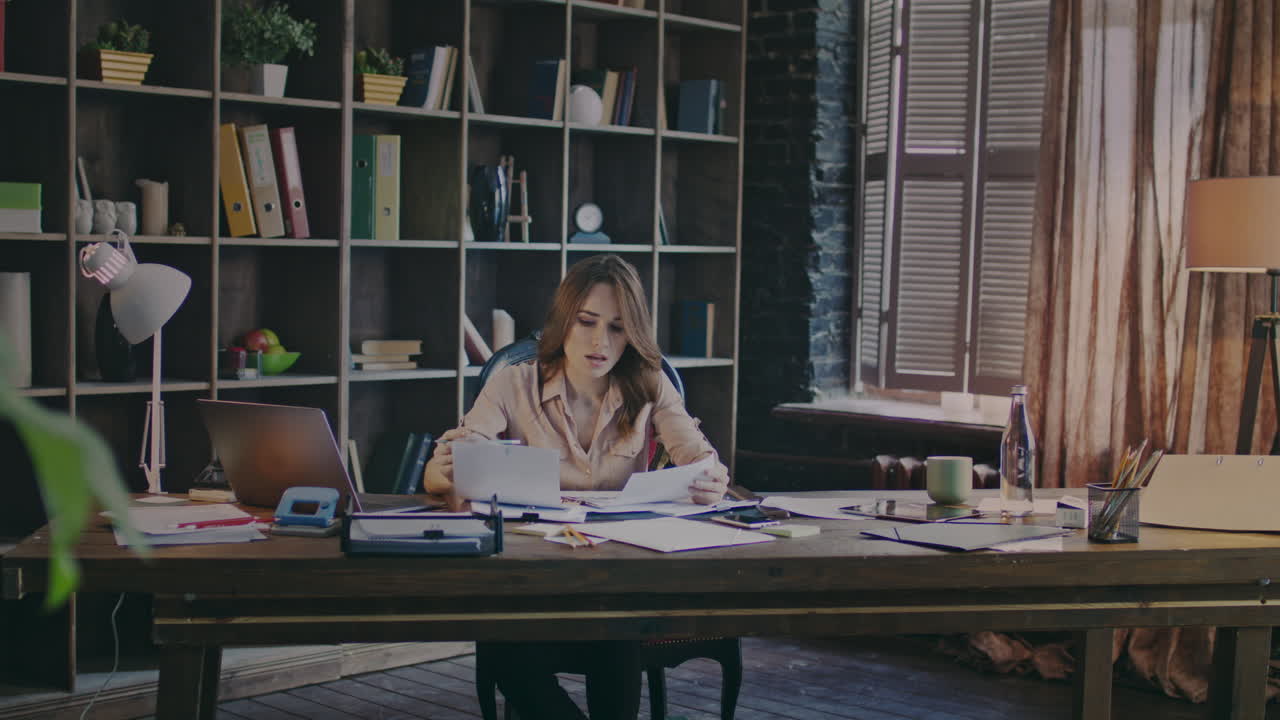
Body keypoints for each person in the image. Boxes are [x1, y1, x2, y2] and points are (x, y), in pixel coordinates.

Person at [423, 254, 730, 719]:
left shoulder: (650, 384)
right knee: (510, 650)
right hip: (530, 579)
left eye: (617, 328)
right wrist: (449, 468)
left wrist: (712, 478)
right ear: (564, 320)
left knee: (617, 633)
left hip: (612, 576)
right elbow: (440, 471)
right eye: (587, 322)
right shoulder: (514, 382)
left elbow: (700, 458)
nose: (599, 341)